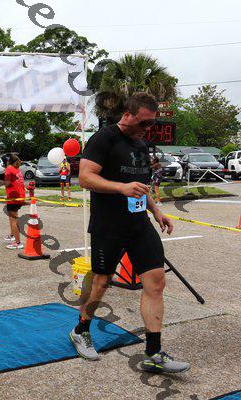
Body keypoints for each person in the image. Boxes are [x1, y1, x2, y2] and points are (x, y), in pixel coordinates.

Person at [70, 92, 189, 374]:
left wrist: (156, 211)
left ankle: (153, 353)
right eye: (143, 123)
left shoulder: (142, 144)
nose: (147, 129)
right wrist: (121, 187)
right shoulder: (104, 138)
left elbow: (140, 185)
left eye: (151, 124)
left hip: (138, 224)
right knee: (102, 282)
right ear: (128, 115)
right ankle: (81, 330)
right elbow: (85, 177)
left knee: (156, 281)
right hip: (108, 225)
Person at [3, 155, 26, 249]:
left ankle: (18, 242)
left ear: (8, 161)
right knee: (13, 218)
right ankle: (12, 235)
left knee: (13, 220)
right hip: (20, 196)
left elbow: (7, 183)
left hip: (13, 197)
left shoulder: (9, 169)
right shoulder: (17, 170)